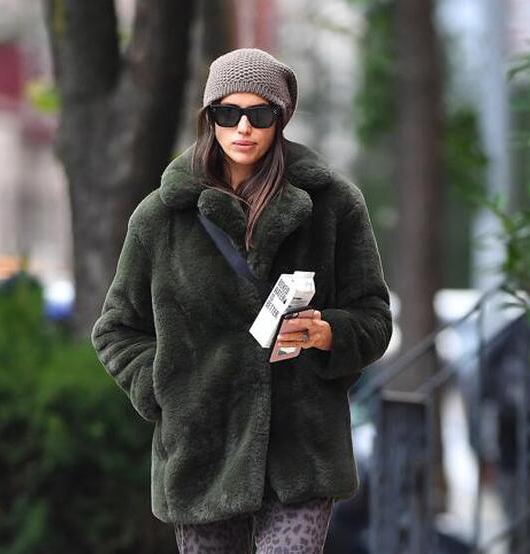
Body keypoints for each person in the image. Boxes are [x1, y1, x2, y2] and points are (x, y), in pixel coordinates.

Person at [91, 47, 393, 553]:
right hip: (202, 451)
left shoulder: (334, 205)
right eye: (228, 113)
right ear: (209, 118)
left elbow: (375, 317)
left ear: (281, 118)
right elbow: (116, 328)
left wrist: (328, 333)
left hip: (302, 450)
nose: (243, 127)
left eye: (260, 114)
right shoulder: (161, 216)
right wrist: (165, 389)